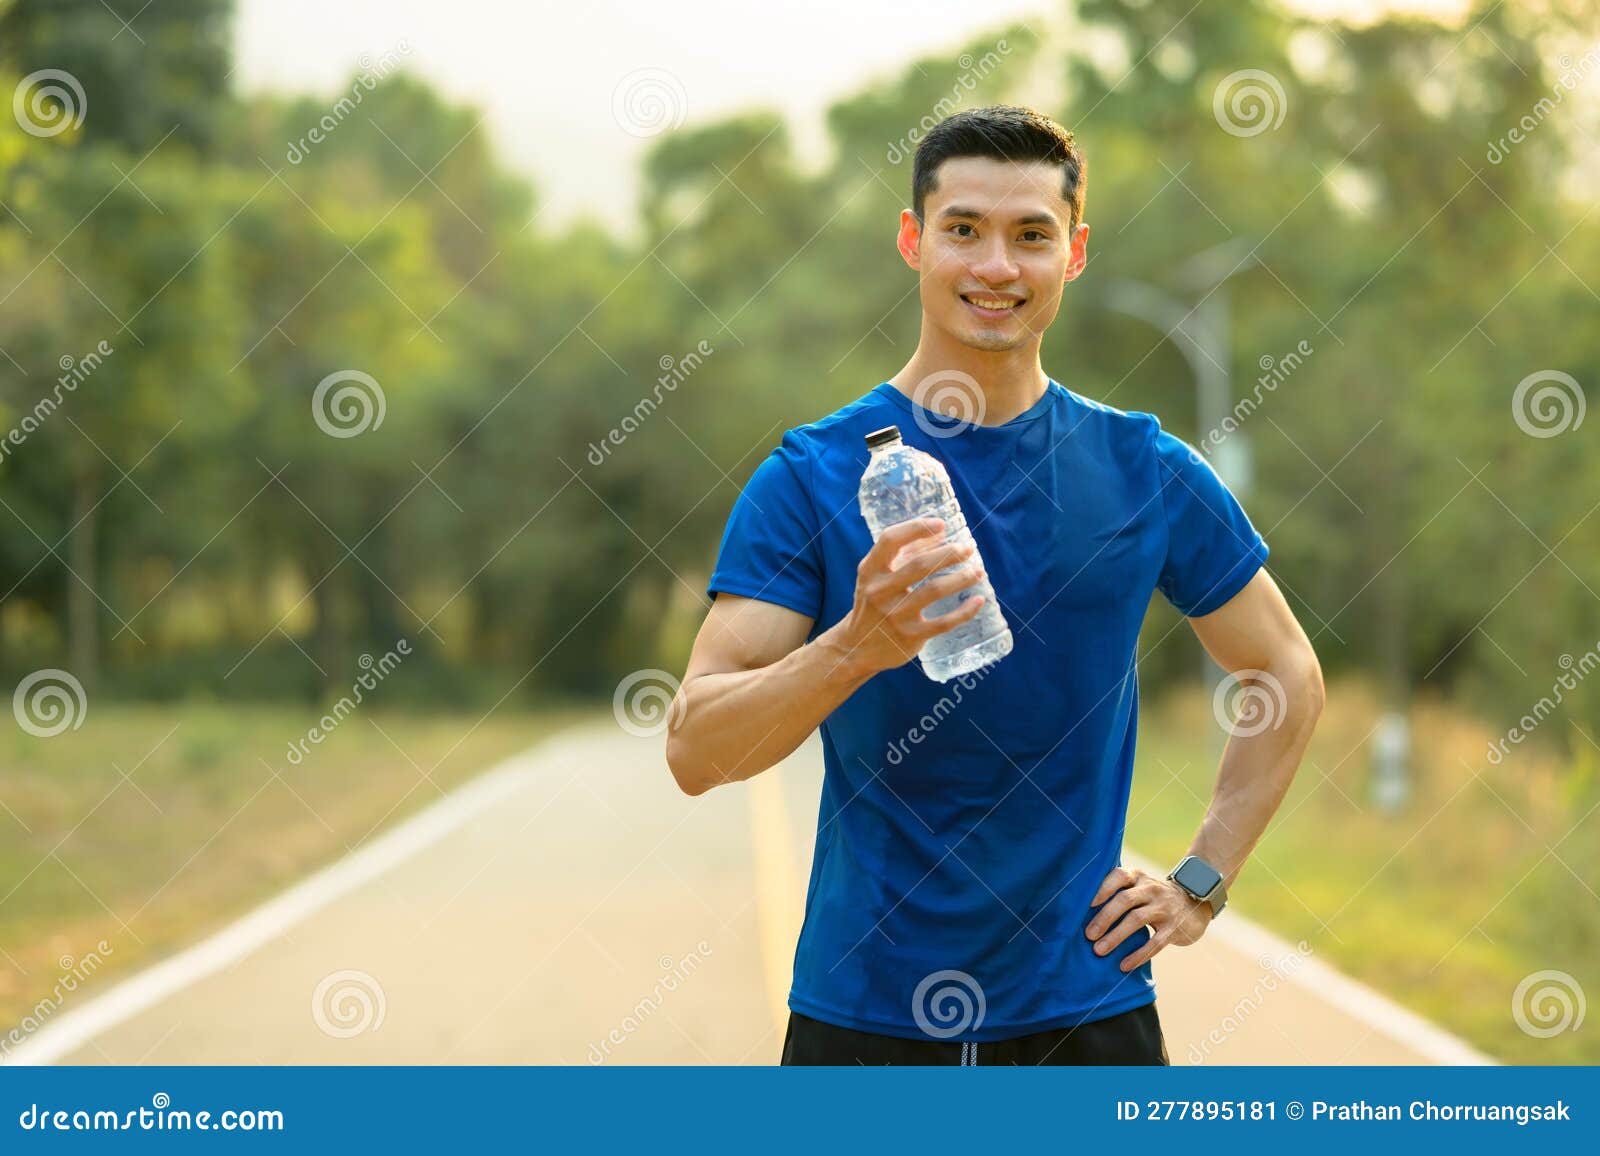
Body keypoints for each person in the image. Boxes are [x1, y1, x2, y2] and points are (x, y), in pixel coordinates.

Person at [665, 105, 1325, 1066]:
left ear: (1075, 253)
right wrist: (856, 644)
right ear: (912, 240)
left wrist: (1200, 882)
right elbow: (696, 749)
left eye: (1031, 236)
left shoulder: (1145, 466)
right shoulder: (812, 474)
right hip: (864, 1014)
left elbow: (1284, 671)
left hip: (1085, 1007)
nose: (995, 267)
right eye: (963, 229)